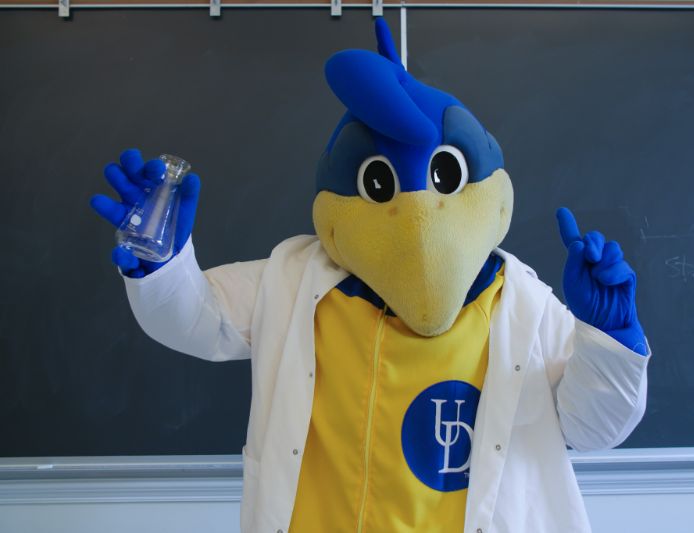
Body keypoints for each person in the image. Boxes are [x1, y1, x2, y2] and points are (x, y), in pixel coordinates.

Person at [91, 18, 650, 533]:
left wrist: (609, 340)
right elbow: (197, 319)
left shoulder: (521, 303)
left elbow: (594, 430)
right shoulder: (294, 278)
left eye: (443, 177)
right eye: (381, 186)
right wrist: (162, 261)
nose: (415, 216)